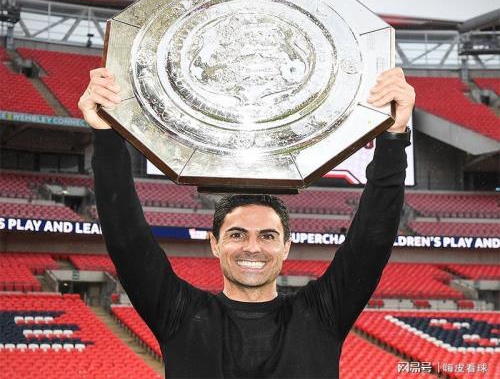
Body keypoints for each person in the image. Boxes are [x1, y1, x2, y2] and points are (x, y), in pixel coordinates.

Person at [78, 67, 415, 378]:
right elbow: (127, 240)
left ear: (286, 247)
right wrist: (106, 134)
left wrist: (394, 136)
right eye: (237, 234)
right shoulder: (180, 315)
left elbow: (372, 241)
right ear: (215, 243)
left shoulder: (321, 313)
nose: (252, 247)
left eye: (267, 236)